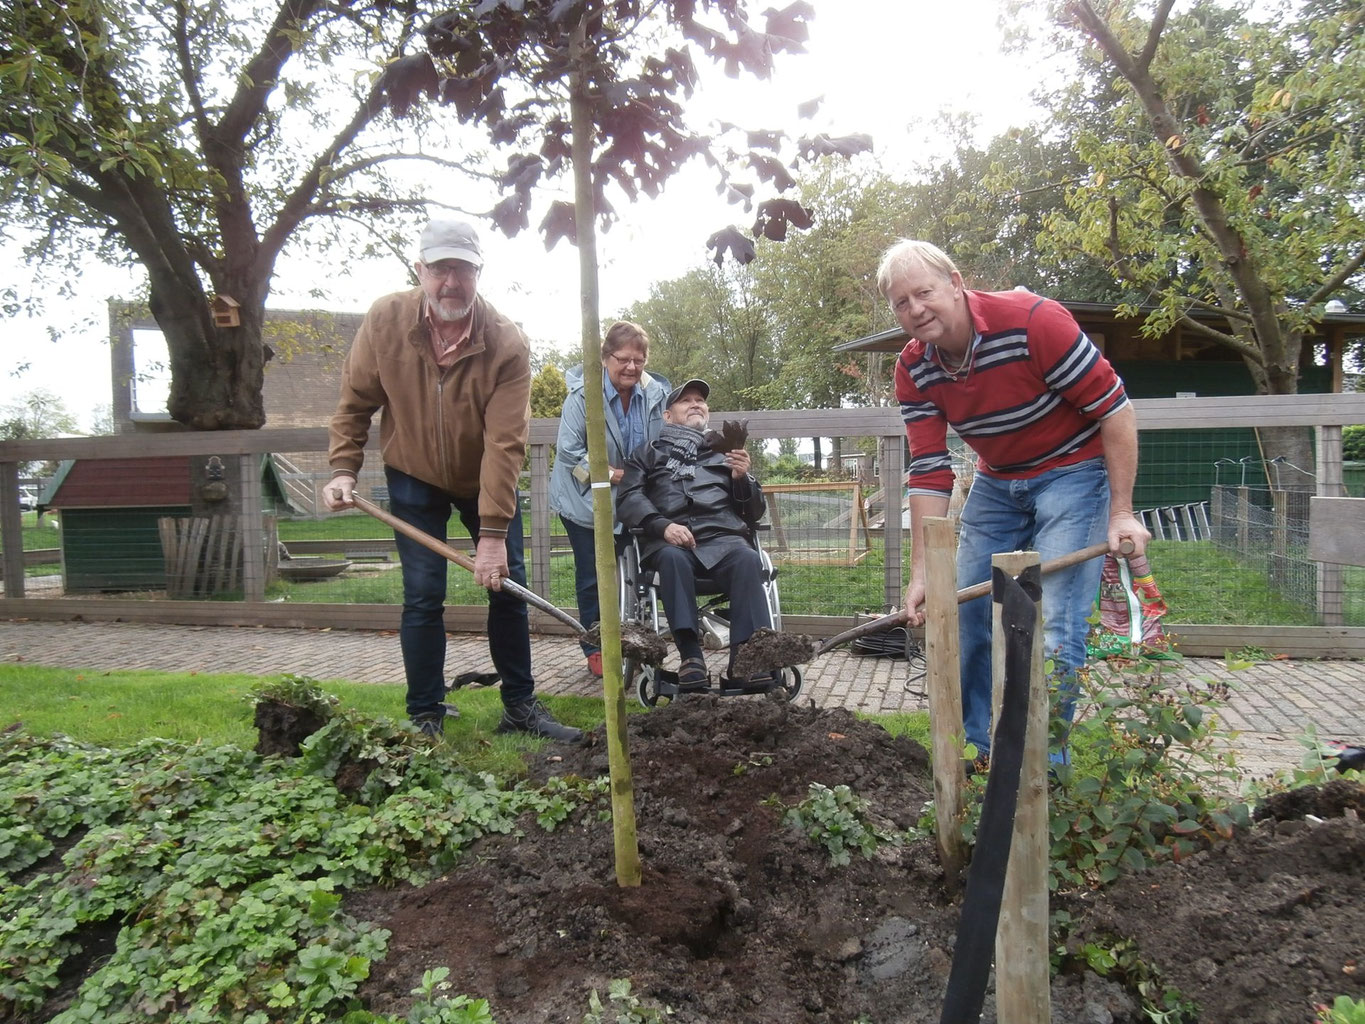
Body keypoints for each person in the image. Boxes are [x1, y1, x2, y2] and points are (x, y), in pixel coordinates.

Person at [878, 239, 1150, 765]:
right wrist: (920, 575)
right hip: (998, 480)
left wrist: (1120, 510)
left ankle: (1043, 767)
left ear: (956, 283)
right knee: (964, 610)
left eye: (923, 292)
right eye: (900, 303)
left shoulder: (1032, 323)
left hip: (1075, 472)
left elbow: (1115, 410)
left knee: (1054, 623)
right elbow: (930, 468)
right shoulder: (915, 369)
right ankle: (980, 753)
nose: (914, 310)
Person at [324, 218, 582, 743]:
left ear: (478, 274)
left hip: (482, 477)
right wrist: (343, 468)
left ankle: (519, 706)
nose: (450, 283)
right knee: (423, 595)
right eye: (440, 268)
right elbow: (355, 404)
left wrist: (491, 534)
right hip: (413, 475)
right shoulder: (385, 321)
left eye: (461, 270)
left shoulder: (506, 342)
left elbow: (504, 443)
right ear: (420, 270)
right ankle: (425, 715)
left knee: (507, 587)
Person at [617, 378, 772, 689]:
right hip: (670, 540)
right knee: (673, 558)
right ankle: (691, 657)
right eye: (686, 400)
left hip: (723, 539)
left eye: (700, 400)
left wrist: (742, 480)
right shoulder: (647, 453)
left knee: (747, 558)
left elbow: (753, 513)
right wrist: (663, 526)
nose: (696, 404)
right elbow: (629, 497)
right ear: (667, 416)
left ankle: (746, 660)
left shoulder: (725, 454)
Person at [548, 321, 670, 678]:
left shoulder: (656, 396)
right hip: (584, 501)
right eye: (623, 359)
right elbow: (570, 456)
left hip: (634, 499)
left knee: (636, 574)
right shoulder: (583, 396)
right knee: (594, 576)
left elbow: (661, 444)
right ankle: (596, 648)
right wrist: (614, 475)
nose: (631, 367)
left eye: (639, 359)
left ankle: (639, 641)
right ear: (605, 358)